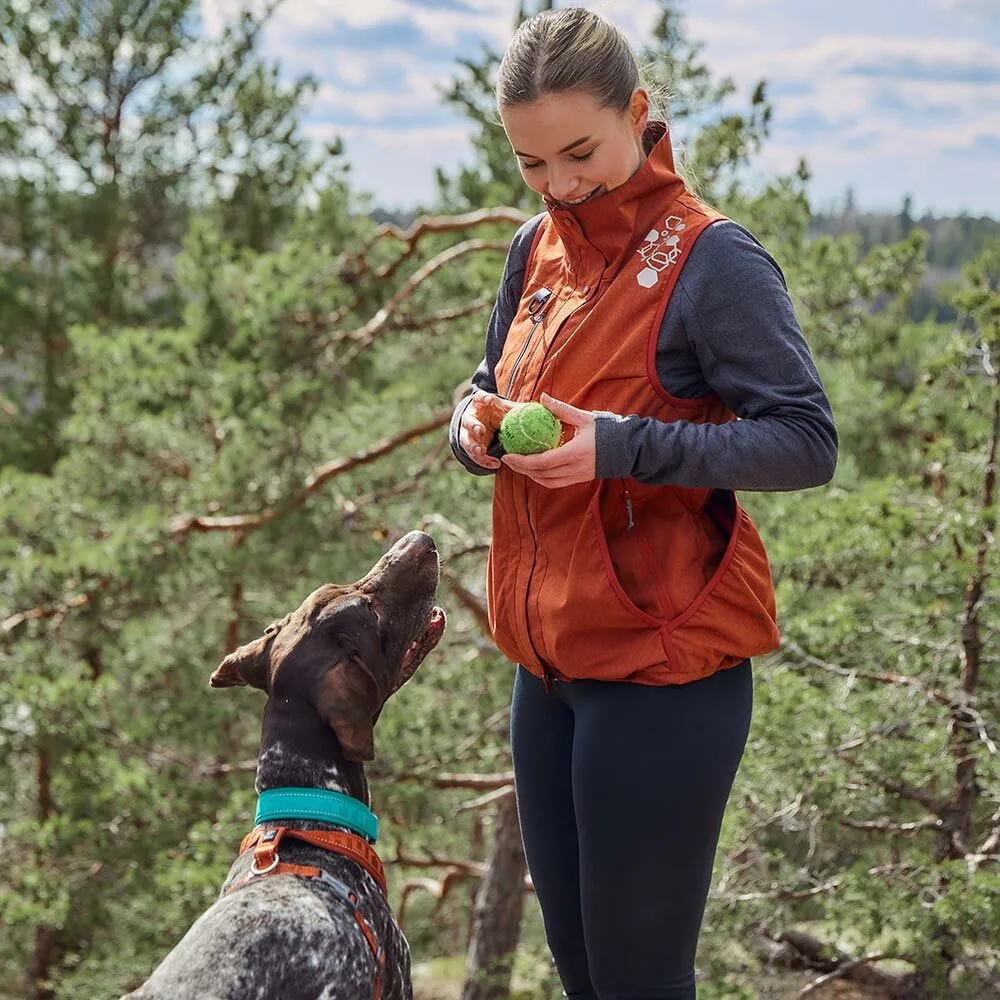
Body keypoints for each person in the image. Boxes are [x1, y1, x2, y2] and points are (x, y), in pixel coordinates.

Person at [448, 8, 837, 1000]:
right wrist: (472, 425)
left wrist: (616, 447)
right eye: (533, 164)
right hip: (547, 672)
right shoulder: (535, 249)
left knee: (638, 983)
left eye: (580, 151)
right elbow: (490, 377)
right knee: (585, 976)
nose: (561, 184)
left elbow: (803, 441)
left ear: (639, 110)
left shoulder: (714, 260)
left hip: (664, 677)